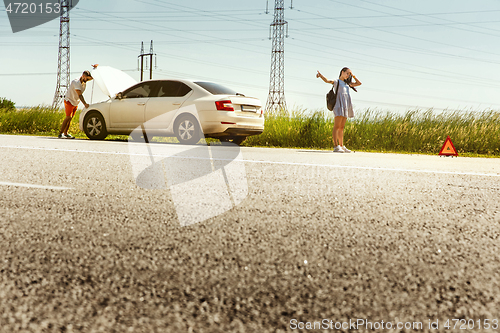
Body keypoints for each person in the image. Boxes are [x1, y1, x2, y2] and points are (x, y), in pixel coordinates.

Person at [316, 67, 362, 152]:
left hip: (345, 106)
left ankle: (341, 145)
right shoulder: (337, 82)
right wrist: (320, 75)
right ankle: (335, 146)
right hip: (338, 105)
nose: (348, 75)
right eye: (347, 73)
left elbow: (359, 83)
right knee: (337, 126)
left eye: (349, 74)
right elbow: (327, 80)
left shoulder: (348, 84)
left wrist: (353, 76)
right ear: (342, 72)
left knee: (341, 127)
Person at [58, 70, 93, 139]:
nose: (88, 80)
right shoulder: (76, 82)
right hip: (69, 100)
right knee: (68, 117)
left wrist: (95, 69)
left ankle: (66, 133)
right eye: (87, 78)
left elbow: (93, 77)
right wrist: (85, 104)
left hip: (75, 102)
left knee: (70, 119)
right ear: (83, 76)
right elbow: (80, 95)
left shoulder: (84, 81)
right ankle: (60, 133)